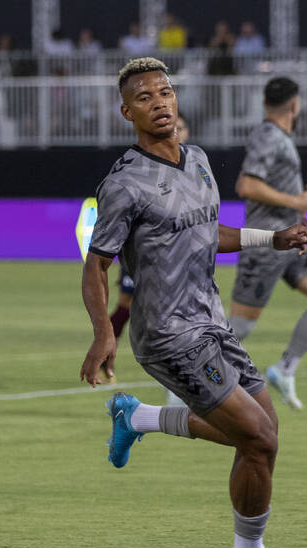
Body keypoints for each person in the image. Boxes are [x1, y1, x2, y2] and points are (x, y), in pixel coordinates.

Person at [80, 58, 307, 548]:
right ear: (127, 112)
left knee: (264, 433)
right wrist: (103, 335)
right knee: (259, 439)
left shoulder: (200, 161)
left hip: (211, 323)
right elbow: (96, 265)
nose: (159, 102)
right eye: (144, 97)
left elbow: (211, 232)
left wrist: (272, 239)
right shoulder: (123, 184)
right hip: (167, 335)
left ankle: (137, 418)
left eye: (164, 92)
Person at [228, 77, 307, 411]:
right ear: (295, 104)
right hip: (266, 243)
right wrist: (294, 202)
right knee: (239, 328)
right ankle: (186, 374)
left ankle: (285, 368)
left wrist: (294, 208)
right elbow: (246, 185)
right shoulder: (269, 135)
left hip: (290, 238)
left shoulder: (278, 136)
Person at [102, 110, 192, 407]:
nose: (176, 131)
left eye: (181, 127)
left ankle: (176, 376)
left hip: (176, 260)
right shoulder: (142, 167)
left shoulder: (190, 167)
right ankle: (107, 356)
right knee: (130, 308)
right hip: (143, 257)